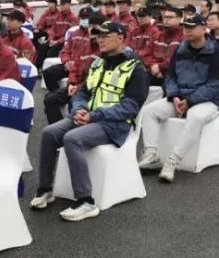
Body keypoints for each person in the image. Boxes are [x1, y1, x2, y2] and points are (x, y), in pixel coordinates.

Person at [30, 20, 148, 221]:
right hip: (89, 118)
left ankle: (86, 201)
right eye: (98, 36)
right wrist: (79, 110)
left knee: (72, 138)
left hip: (114, 125)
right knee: (49, 133)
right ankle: (45, 189)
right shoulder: (97, 64)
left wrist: (94, 115)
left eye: (105, 36)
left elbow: (130, 107)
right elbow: (82, 93)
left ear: (120, 38)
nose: (99, 40)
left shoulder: (135, 69)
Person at [137, 14, 219, 181]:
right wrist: (175, 96)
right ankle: (151, 155)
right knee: (149, 111)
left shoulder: (217, 52)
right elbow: (171, 78)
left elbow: (216, 85)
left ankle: (173, 161)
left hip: (208, 101)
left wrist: (190, 101)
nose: (187, 30)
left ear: (203, 28)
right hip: (181, 98)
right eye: (185, 27)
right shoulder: (181, 49)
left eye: (192, 27)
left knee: (195, 116)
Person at [43, 7, 94, 92]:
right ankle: (55, 93)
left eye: (87, 17)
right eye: (82, 17)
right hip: (69, 65)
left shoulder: (94, 36)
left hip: (82, 68)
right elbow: (65, 50)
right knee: (48, 73)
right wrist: (66, 62)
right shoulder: (74, 34)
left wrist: (76, 64)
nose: (84, 19)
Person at [149, 5, 184, 86]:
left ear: (179, 19)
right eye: (165, 17)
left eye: (170, 17)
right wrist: (152, 65)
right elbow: (147, 53)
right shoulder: (157, 36)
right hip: (153, 71)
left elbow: (177, 58)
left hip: (172, 75)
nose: (166, 20)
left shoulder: (184, 36)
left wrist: (160, 67)